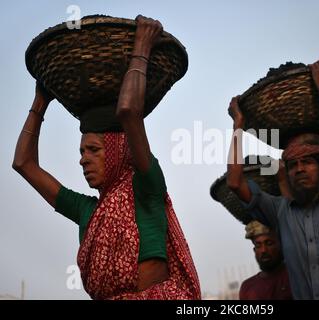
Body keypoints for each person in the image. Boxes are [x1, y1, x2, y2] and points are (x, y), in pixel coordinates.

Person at [13, 15, 200, 300]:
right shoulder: (87, 211)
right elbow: (23, 164)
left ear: (118, 150)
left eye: (93, 150)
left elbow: (128, 111)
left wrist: (141, 46)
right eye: (81, 151)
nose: (83, 160)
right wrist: (40, 101)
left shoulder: (146, 188)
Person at [227, 60, 319, 300]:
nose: (299, 169)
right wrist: (238, 126)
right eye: (293, 164)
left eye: (307, 162)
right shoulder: (280, 212)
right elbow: (234, 182)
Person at [239, 221, 292, 300]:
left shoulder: (295, 276)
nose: (263, 250)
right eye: (258, 245)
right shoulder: (247, 287)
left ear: (280, 245)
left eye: (269, 243)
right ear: (254, 250)